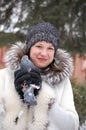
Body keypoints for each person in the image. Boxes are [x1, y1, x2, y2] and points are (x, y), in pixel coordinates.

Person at [0, 22, 79, 130]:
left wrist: (47, 102)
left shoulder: (62, 82)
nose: (44, 53)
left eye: (50, 48)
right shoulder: (4, 76)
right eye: (39, 46)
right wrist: (18, 96)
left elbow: (72, 126)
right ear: (29, 48)